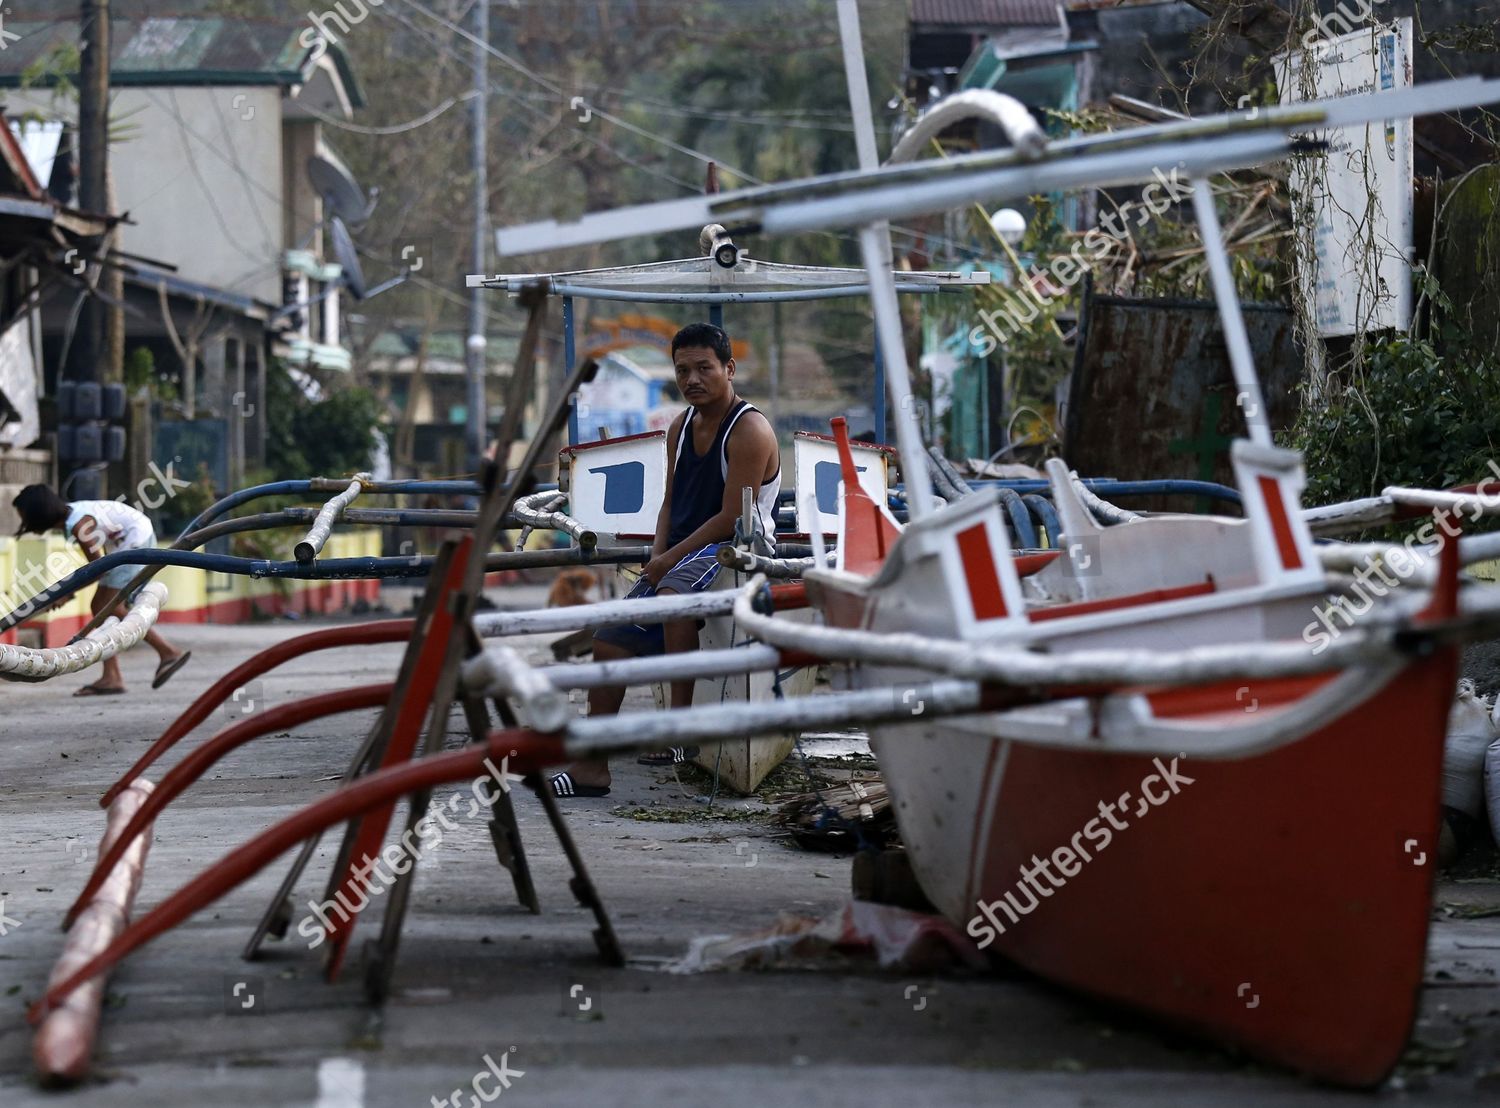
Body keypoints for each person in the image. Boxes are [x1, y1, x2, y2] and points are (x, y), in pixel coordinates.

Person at [548, 323, 780, 798]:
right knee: (609, 639)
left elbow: (729, 517)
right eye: (682, 370)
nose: (692, 379)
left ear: (729, 369)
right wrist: (657, 556)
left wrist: (668, 563)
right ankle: (593, 766)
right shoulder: (678, 427)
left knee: (673, 595)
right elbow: (669, 503)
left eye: (704, 368)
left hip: (735, 546)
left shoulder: (750, 429)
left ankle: (678, 728)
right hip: (679, 550)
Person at [11, 484, 191, 695]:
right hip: (126, 540)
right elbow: (100, 562)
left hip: (134, 541)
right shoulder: (74, 515)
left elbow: (97, 569)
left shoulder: (79, 525)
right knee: (102, 606)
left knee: (108, 607)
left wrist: (67, 594)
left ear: (38, 514)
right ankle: (113, 675)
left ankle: (167, 652)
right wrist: (65, 594)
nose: (25, 524)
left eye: (25, 517)